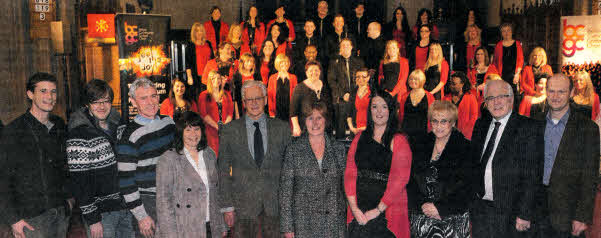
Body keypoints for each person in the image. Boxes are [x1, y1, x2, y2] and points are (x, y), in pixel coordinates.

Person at [0, 72, 73, 238]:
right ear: (30, 94)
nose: (50, 96)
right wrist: (13, 219)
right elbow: (3, 179)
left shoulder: (59, 125)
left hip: (61, 213)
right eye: (43, 91)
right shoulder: (14, 131)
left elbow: (65, 167)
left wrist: (69, 200)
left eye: (53, 91)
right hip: (31, 219)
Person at [217, 80, 292, 238]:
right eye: (250, 99)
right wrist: (227, 207)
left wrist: (289, 206)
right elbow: (222, 170)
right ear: (244, 103)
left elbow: (289, 170)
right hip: (241, 208)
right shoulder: (229, 130)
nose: (254, 103)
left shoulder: (283, 128)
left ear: (265, 99)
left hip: (275, 207)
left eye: (258, 98)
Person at [470, 79, 542, 237]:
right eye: (490, 98)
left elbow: (532, 175)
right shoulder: (480, 125)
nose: (495, 102)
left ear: (511, 99)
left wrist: (524, 213)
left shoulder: (528, 128)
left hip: (511, 213)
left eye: (501, 96)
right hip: (480, 210)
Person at [531, 74, 600, 238]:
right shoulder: (534, 123)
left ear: (571, 93)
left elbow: (590, 176)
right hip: (535, 211)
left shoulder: (587, 128)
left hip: (567, 215)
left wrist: (582, 216)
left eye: (561, 92)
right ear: (546, 92)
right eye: (551, 91)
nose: (555, 97)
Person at [67, 79, 133, 238]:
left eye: (106, 101)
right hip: (101, 214)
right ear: (87, 104)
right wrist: (92, 219)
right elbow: (80, 182)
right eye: (96, 102)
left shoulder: (120, 126)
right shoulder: (79, 134)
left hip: (126, 207)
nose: (102, 106)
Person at [344, 89, 412, 238]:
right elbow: (350, 173)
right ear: (369, 110)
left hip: (386, 211)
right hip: (359, 209)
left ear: (391, 110)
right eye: (375, 107)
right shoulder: (359, 137)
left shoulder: (399, 140)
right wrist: (354, 208)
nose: (379, 111)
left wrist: (377, 210)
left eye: (384, 106)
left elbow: (399, 180)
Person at [117, 78, 176, 238]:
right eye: (143, 98)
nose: (150, 102)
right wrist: (141, 216)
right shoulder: (129, 137)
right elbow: (126, 182)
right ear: (133, 102)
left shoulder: (169, 123)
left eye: (153, 96)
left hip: (174, 197)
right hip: (149, 202)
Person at [279, 101, 347, 238]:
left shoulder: (338, 149)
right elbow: (285, 192)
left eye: (319, 118)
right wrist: (287, 227)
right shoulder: (293, 150)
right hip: (303, 225)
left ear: (326, 120)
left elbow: (345, 189)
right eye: (310, 118)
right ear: (304, 121)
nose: (315, 123)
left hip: (333, 225)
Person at [407, 100, 473, 238]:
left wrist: (440, 208)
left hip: (451, 220)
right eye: (434, 121)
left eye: (444, 121)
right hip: (422, 218)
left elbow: (468, 188)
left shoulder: (465, 148)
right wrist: (422, 205)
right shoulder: (420, 145)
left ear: (453, 123)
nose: (438, 126)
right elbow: (410, 181)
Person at [156, 111, 227, 238]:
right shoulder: (168, 159)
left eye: (196, 129)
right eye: (188, 130)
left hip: (210, 225)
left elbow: (216, 193)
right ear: (180, 132)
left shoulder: (209, 154)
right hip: (182, 228)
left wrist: (221, 225)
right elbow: (163, 203)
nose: (193, 134)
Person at [328, 38, 365, 139]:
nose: (345, 47)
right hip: (340, 98)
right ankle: (339, 146)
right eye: (343, 45)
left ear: (351, 47)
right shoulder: (334, 63)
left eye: (347, 45)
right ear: (340, 48)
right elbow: (331, 81)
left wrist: (353, 94)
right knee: (340, 126)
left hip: (356, 96)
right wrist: (343, 94)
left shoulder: (359, 62)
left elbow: (362, 79)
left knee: (355, 124)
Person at [198, 70, 234, 156]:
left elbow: (230, 113)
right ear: (209, 80)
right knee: (213, 156)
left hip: (225, 130)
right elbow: (204, 114)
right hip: (210, 130)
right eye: (213, 78)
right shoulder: (204, 95)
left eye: (218, 78)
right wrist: (217, 127)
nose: (216, 80)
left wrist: (224, 126)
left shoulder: (226, 94)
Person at [291, 61, 332, 137]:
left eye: (316, 70)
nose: (314, 72)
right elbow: (293, 110)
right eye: (311, 71)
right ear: (306, 73)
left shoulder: (325, 86)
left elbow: (329, 108)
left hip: (323, 128)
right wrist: (296, 127)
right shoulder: (299, 87)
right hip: (306, 128)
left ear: (320, 72)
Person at [398, 70, 435, 144]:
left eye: (416, 79)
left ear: (422, 81)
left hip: (424, 134)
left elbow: (433, 116)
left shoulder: (430, 97)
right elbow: (401, 115)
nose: (412, 81)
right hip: (407, 133)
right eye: (411, 79)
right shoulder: (404, 96)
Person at [491, 22, 524, 99]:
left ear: (512, 32)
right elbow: (495, 62)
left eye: (508, 30)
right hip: (501, 75)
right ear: (501, 33)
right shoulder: (498, 45)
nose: (506, 33)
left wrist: (517, 74)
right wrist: (497, 77)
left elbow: (520, 60)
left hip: (514, 75)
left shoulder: (517, 44)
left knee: (514, 97)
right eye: (504, 31)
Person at [442, 72, 478, 140]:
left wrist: (463, 134)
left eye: (454, 84)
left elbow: (474, 118)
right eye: (450, 83)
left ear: (462, 84)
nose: (451, 86)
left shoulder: (470, 98)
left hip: (465, 136)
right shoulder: (446, 98)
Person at [186, 22, 214, 97]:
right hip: (197, 77)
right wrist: (189, 77)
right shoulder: (190, 45)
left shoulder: (208, 43)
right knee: (199, 98)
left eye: (201, 30)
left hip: (209, 76)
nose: (199, 33)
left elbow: (213, 59)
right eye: (197, 31)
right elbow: (188, 63)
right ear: (194, 33)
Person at [267, 54, 297, 122]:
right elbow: (270, 97)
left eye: (286, 62)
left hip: (290, 113)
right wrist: (271, 114)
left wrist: (295, 114)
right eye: (281, 62)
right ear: (277, 64)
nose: (284, 64)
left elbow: (295, 97)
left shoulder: (293, 77)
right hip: (277, 113)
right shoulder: (272, 78)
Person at [231, 52, 262, 119]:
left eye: (251, 62)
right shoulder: (237, 76)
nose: (250, 64)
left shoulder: (256, 75)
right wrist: (237, 114)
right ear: (243, 63)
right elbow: (235, 98)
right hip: (242, 108)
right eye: (247, 61)